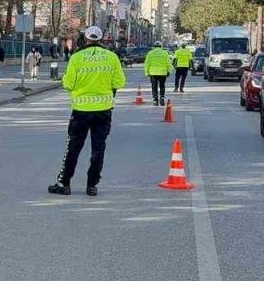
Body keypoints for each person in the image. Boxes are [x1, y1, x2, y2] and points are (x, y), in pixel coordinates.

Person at [48, 26, 125, 198]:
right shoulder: (112, 57)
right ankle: (91, 186)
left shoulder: (76, 57)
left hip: (80, 111)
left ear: (86, 39)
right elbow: (119, 82)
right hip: (103, 111)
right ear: (101, 39)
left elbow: (68, 84)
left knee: (73, 148)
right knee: (98, 149)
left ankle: (64, 183)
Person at [144, 41, 172, 106]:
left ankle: (155, 100)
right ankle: (162, 98)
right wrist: (169, 71)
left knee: (154, 87)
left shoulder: (150, 53)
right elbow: (168, 63)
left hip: (153, 73)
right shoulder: (164, 53)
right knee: (162, 86)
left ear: (154, 46)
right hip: (162, 72)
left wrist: (146, 72)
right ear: (161, 46)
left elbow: (147, 64)